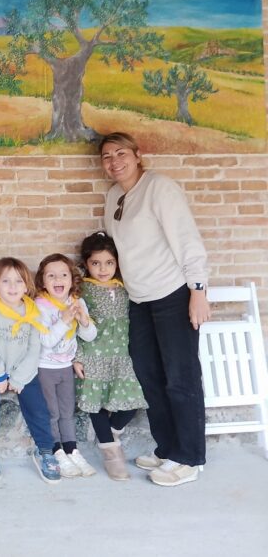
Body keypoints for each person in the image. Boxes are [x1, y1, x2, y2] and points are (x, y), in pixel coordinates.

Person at [100, 131, 210, 487]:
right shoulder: (113, 196)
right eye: (107, 156)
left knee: (180, 378)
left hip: (173, 295)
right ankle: (167, 448)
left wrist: (198, 290)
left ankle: (189, 458)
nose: (114, 161)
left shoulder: (159, 188)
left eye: (121, 153)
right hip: (138, 300)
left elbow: (187, 239)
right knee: (149, 377)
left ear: (137, 155)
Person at [0, 257, 60, 484]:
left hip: (24, 370)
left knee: (39, 410)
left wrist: (20, 378)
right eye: (6, 281)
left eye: (19, 281)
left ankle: (45, 451)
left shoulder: (32, 311)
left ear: (26, 285)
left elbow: (34, 348)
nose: (13, 287)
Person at [76, 231, 147, 481]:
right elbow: (76, 327)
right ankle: (111, 454)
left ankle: (110, 432)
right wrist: (77, 357)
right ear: (86, 264)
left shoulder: (125, 288)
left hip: (121, 356)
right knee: (95, 404)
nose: (103, 269)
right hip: (93, 355)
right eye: (95, 263)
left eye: (109, 262)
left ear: (117, 263)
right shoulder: (82, 291)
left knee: (133, 402)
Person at [34, 253, 97, 478]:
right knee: (51, 412)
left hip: (66, 366)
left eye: (63, 275)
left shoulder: (77, 302)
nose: (58, 279)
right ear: (43, 281)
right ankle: (55, 450)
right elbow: (46, 341)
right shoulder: (40, 306)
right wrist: (63, 320)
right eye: (51, 276)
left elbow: (89, 336)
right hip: (45, 367)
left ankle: (72, 450)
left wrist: (84, 320)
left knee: (67, 411)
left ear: (72, 280)